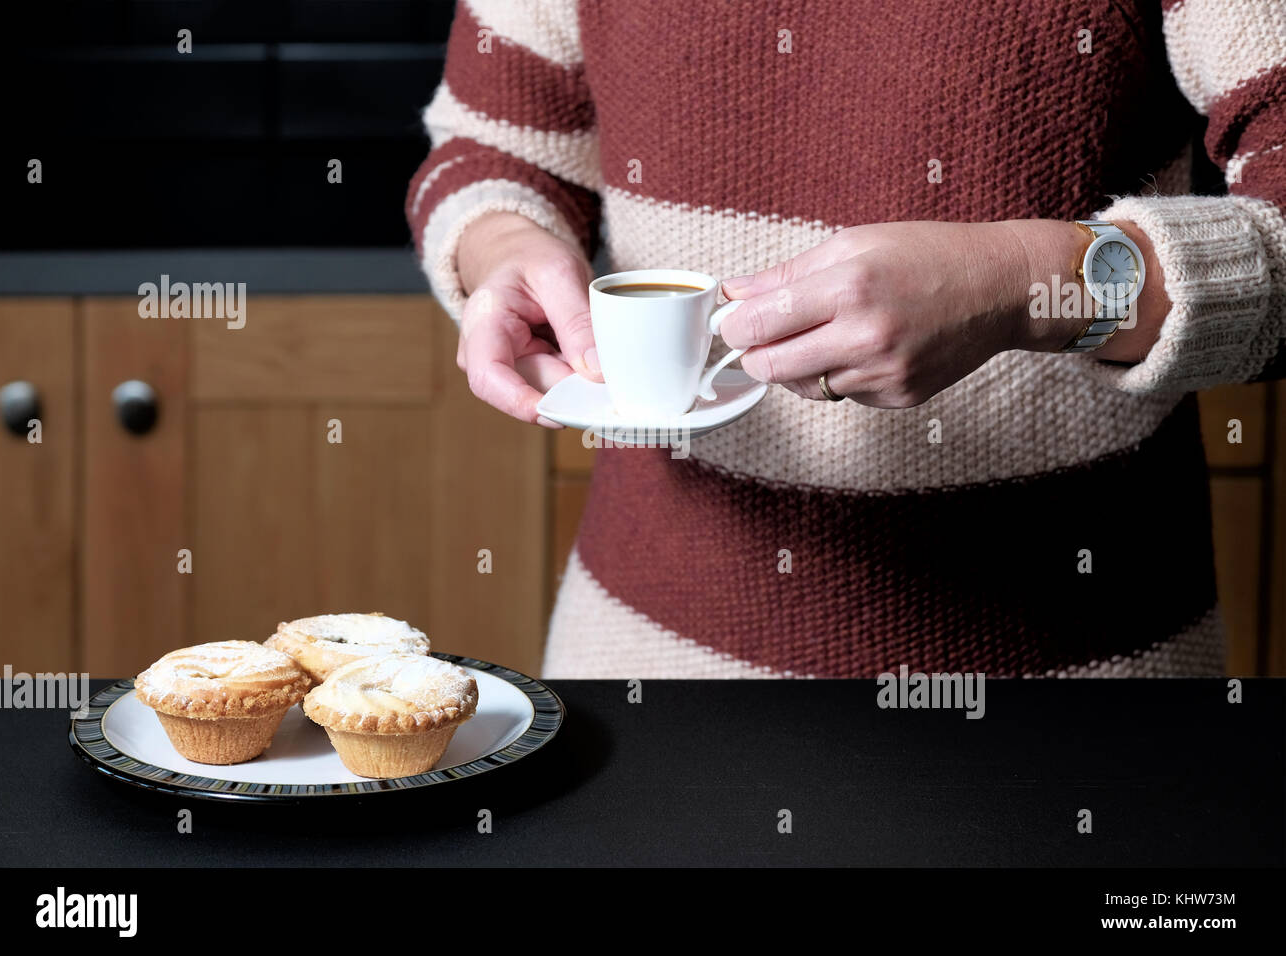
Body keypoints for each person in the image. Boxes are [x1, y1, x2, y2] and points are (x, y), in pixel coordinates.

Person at [407, 0, 1285, 678]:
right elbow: (489, 144)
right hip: (648, 673)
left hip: (1081, 698)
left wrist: (1026, 282)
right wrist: (503, 249)